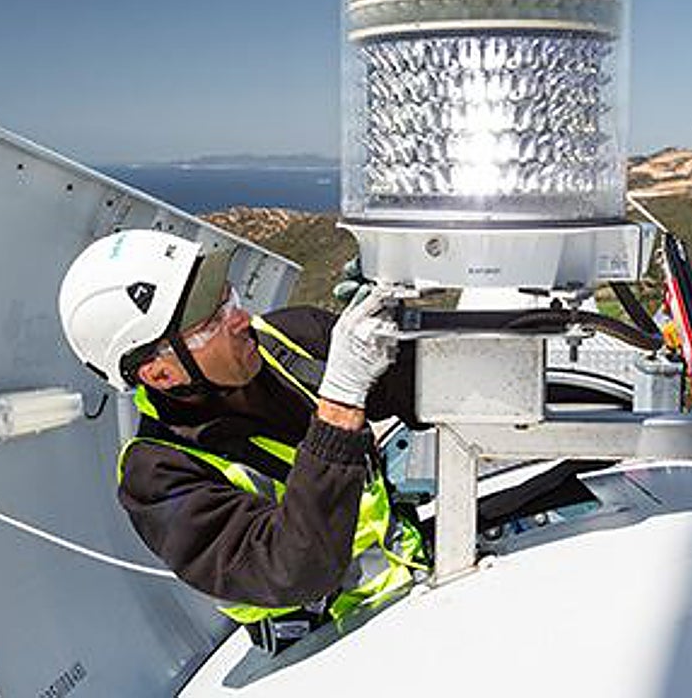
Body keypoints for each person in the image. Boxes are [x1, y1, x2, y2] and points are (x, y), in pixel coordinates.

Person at [57, 229, 428, 654]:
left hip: (420, 582)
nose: (241, 319)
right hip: (331, 653)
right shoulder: (158, 479)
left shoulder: (291, 341)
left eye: (227, 296)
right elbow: (295, 569)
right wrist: (341, 401)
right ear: (161, 375)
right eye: (212, 321)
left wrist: (395, 315)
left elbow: (431, 389)